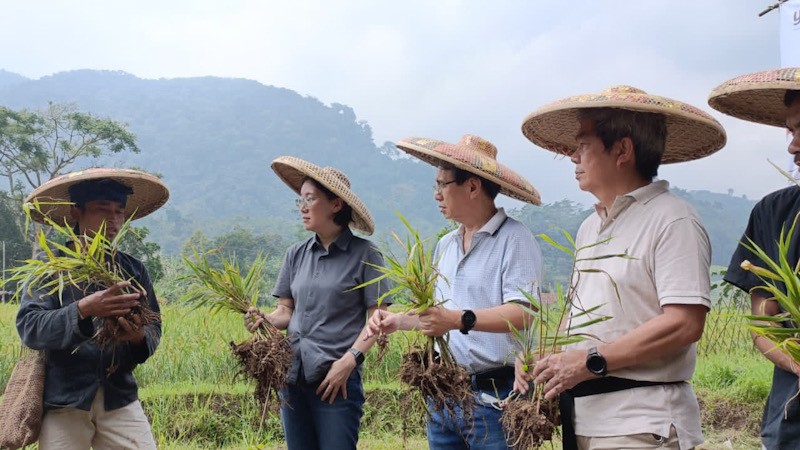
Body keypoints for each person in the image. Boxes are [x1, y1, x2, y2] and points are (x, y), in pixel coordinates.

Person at [519, 85, 727, 450]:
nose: (573, 156)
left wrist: (590, 361)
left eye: (583, 144)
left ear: (622, 150)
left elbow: (684, 322)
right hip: (585, 419)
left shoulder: (672, 219)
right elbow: (580, 318)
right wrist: (544, 358)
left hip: (642, 422)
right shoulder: (589, 227)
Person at [367, 135, 544, 450]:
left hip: (495, 396)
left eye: (442, 184)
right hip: (445, 394)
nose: (436, 194)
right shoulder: (445, 245)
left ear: (473, 187)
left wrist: (458, 319)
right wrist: (398, 321)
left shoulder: (515, 238)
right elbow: (439, 315)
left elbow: (524, 312)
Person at [243, 156, 391, 450]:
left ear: (336, 204)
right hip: (291, 376)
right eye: (300, 199)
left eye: (310, 199)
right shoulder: (295, 254)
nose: (302, 207)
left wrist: (349, 361)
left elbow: (378, 319)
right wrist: (265, 319)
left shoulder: (366, 255)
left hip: (337, 379)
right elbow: (286, 311)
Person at [16, 168, 169, 449]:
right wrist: (84, 309)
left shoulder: (132, 270)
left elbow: (154, 328)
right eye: (103, 209)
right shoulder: (52, 269)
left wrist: (137, 336)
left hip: (119, 396)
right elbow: (30, 327)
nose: (113, 219)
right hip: (65, 401)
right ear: (76, 212)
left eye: (119, 212)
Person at [709, 68, 800, 450]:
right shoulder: (774, 214)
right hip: (790, 426)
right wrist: (795, 361)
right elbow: (764, 323)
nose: (793, 146)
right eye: (790, 131)